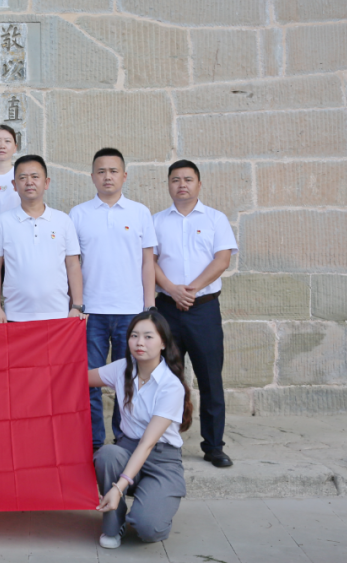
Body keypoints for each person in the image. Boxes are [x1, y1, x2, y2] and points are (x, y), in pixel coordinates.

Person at [70, 148, 157, 451]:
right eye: (101, 171)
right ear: (92, 176)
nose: (107, 176)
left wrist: (149, 308)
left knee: (129, 380)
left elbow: (148, 263)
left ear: (124, 176)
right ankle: (94, 443)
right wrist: (76, 305)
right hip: (91, 313)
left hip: (131, 312)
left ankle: (124, 440)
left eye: (113, 171)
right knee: (88, 381)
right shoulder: (78, 214)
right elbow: (72, 263)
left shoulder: (140, 212)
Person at [152, 160, 237, 468]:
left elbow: (222, 259)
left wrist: (191, 289)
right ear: (169, 185)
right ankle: (164, 442)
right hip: (167, 309)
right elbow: (150, 261)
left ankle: (213, 446)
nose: (182, 185)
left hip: (203, 310)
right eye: (176, 180)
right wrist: (172, 290)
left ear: (199, 184)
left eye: (188, 179)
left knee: (210, 378)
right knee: (166, 378)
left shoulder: (215, 219)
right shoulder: (157, 221)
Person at [90, 311, 192, 549]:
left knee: (148, 528)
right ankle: (113, 524)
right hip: (127, 449)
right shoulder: (122, 368)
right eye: (134, 336)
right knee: (107, 454)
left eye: (148, 336)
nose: (139, 342)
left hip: (161, 459)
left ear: (163, 343)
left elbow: (147, 444)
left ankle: (153, 501)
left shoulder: (171, 386)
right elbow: (78, 379)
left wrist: (119, 487)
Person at [0, 155, 84, 324]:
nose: (29, 182)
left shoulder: (63, 220)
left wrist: (77, 305)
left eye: (35, 176)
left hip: (58, 314)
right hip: (16, 314)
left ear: (46, 183)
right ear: (14, 185)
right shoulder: (2, 222)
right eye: (22, 178)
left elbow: (73, 264)